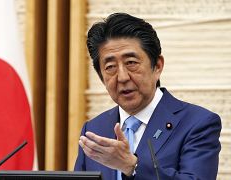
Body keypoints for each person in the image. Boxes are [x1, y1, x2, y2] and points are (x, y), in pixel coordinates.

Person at [74, 12, 221, 180]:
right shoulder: (94, 130)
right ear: (101, 76)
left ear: (157, 66)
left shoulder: (198, 123)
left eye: (131, 63)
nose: (122, 77)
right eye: (110, 67)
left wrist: (132, 166)